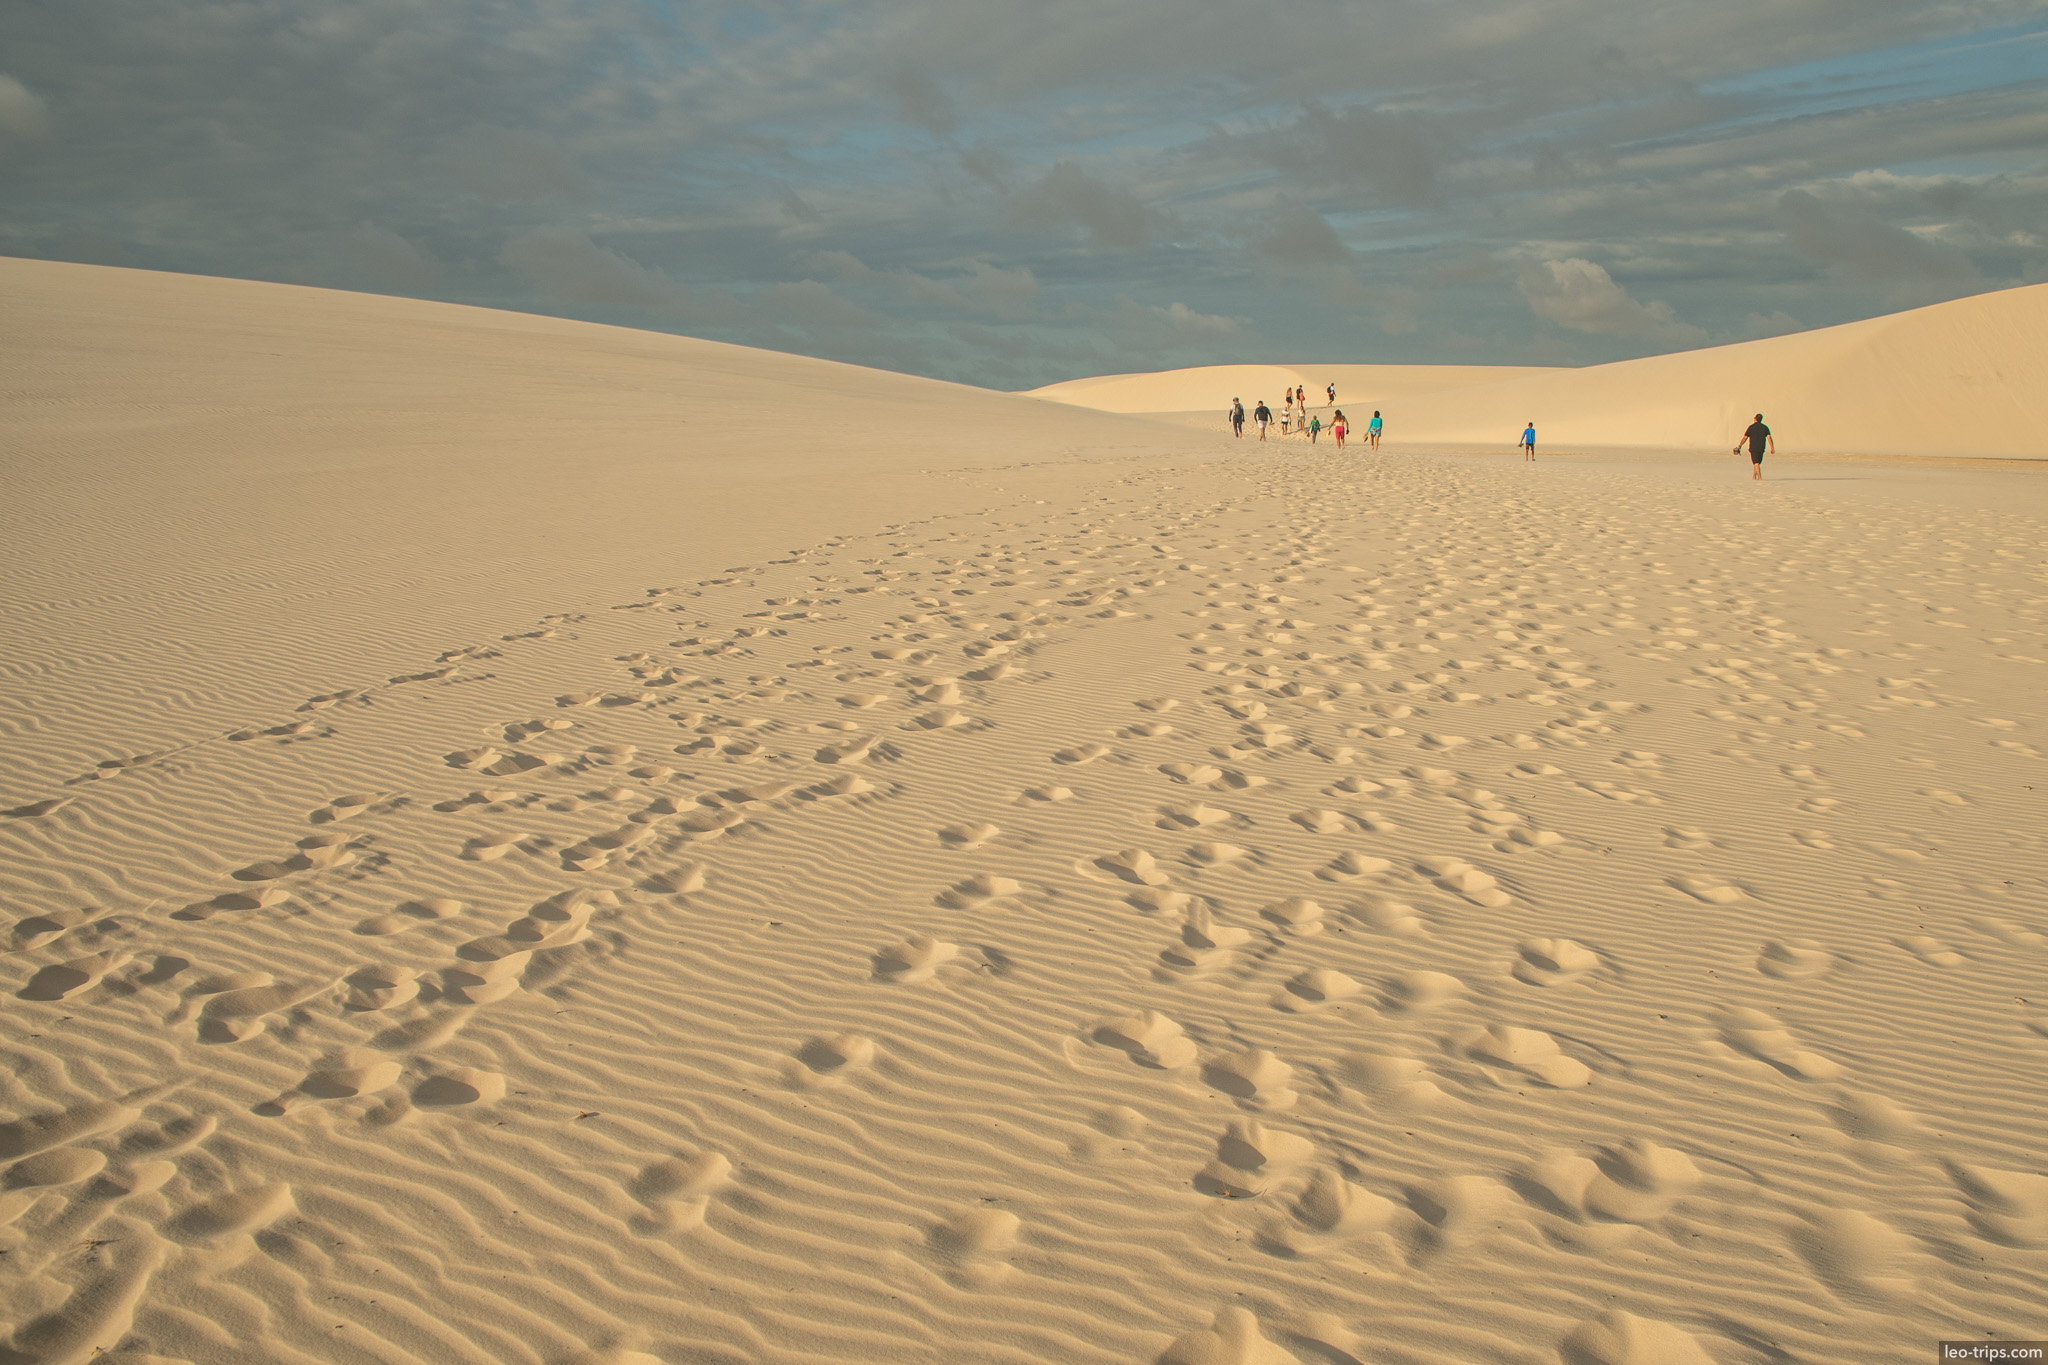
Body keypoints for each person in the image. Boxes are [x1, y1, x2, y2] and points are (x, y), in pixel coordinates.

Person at [1735, 413, 1773, 480]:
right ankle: (1754, 477)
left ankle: (1760, 478)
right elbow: (1769, 437)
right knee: (1757, 462)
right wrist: (1772, 447)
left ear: (1755, 419)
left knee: (1756, 462)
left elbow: (1745, 437)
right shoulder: (1765, 427)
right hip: (1761, 447)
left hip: (1753, 448)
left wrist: (1740, 445)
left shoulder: (1751, 427)